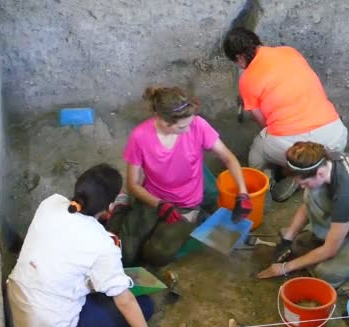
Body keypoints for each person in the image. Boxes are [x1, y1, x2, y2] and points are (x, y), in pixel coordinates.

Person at [6, 164, 154, 327]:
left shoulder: (51, 202)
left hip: (14, 306)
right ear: (110, 206)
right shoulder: (103, 243)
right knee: (144, 306)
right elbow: (125, 302)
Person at [107, 86, 251, 267]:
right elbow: (133, 183)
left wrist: (243, 193)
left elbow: (228, 158)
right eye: (182, 126)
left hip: (187, 203)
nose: (188, 128)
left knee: (155, 256)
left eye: (189, 123)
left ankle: (195, 216)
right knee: (124, 255)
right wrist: (159, 204)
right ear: (163, 121)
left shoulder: (198, 125)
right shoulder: (140, 136)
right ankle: (120, 206)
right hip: (153, 198)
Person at [223, 27, 348, 202]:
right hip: (336, 137)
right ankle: (308, 169)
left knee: (258, 148)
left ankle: (271, 178)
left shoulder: (247, 79)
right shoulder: (290, 52)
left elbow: (263, 124)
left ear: (239, 58)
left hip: (294, 145)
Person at [257, 142, 349, 288]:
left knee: (325, 272)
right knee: (312, 195)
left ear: (320, 173)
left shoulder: (346, 195)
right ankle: (340, 242)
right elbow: (307, 203)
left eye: (304, 182)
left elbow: (330, 251)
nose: (301, 187)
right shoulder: (328, 161)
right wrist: (287, 239)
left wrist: (285, 268)